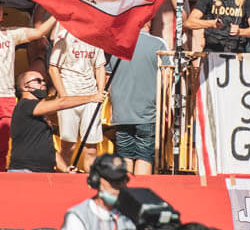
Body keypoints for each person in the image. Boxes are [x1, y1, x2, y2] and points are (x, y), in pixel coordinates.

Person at [0, 0, 57, 171]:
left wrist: (57, 15)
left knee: (2, 148)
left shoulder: (11, 34)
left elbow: (38, 33)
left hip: (7, 97)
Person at [11, 71, 106, 173]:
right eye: (38, 81)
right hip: (25, 171)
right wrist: (91, 98)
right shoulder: (25, 105)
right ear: (25, 87)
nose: (43, 83)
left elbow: (49, 149)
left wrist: (65, 169)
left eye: (44, 80)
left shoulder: (39, 114)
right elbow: (61, 103)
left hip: (45, 171)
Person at [108, 26, 167, 175]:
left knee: (125, 154)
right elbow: (167, 77)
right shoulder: (158, 44)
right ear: (148, 22)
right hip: (148, 111)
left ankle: (125, 187)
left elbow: (107, 77)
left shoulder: (116, 44)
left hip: (121, 112)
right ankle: (140, 189)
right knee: (144, 156)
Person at [48, 24, 108, 171]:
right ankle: (63, 178)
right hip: (70, 96)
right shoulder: (64, 37)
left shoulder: (96, 38)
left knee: (91, 148)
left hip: (91, 97)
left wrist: (100, 91)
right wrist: (64, 96)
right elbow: (53, 68)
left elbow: (100, 67)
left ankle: (91, 180)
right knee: (68, 146)